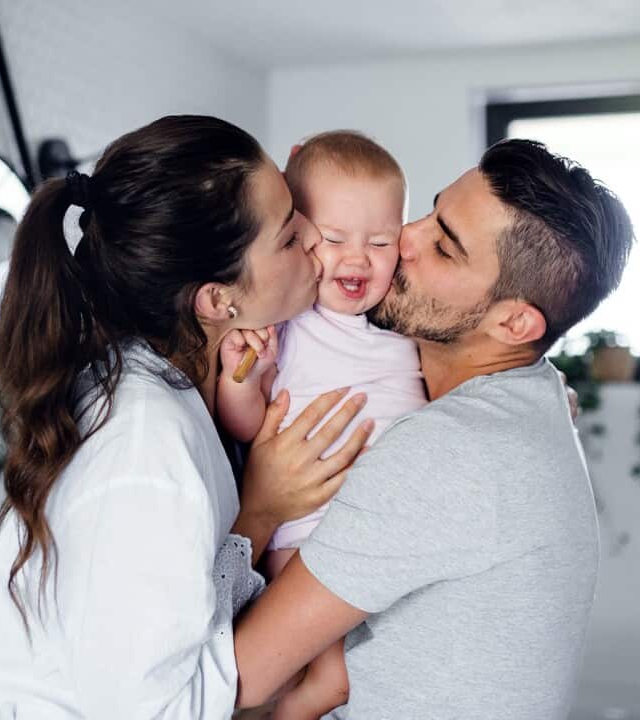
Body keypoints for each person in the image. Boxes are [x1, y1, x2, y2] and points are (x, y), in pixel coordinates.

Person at [0, 115, 375, 719]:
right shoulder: (142, 447)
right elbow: (152, 710)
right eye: (290, 236)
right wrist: (259, 511)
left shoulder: (178, 383)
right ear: (217, 299)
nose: (318, 239)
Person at [233, 138, 635, 719]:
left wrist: (260, 511)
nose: (404, 240)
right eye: (428, 212)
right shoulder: (534, 395)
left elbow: (237, 677)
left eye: (444, 248)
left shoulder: (446, 452)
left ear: (515, 321)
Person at [216, 130, 425, 719]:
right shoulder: (288, 319)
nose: (357, 259)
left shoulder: (402, 320)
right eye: (334, 239)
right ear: (302, 235)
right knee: (327, 683)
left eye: (381, 243)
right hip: (305, 534)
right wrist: (238, 379)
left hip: (381, 534)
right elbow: (248, 423)